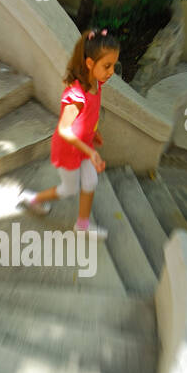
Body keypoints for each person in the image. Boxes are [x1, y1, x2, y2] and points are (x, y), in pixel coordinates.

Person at [17, 28, 119, 239]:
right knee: (69, 190)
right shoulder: (76, 96)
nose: (111, 72)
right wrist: (90, 152)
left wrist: (94, 133)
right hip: (68, 150)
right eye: (106, 66)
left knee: (91, 182)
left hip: (84, 146)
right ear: (90, 63)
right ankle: (33, 198)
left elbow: (88, 118)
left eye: (113, 66)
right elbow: (64, 129)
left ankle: (82, 224)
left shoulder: (96, 84)